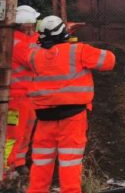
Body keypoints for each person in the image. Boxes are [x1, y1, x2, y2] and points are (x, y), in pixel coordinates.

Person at [25, 15, 115, 193]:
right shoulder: (79, 51)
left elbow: (39, 43)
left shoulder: (33, 56)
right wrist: (71, 39)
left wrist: (56, 33)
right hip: (72, 120)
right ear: (64, 33)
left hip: (44, 120)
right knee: (69, 165)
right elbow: (109, 61)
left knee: (40, 166)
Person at [3, 5, 41, 179]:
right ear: (24, 25)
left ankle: (18, 163)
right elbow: (33, 60)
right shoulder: (16, 42)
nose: (33, 27)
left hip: (29, 96)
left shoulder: (29, 38)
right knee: (13, 135)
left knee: (26, 132)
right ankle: (6, 168)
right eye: (31, 24)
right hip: (16, 98)